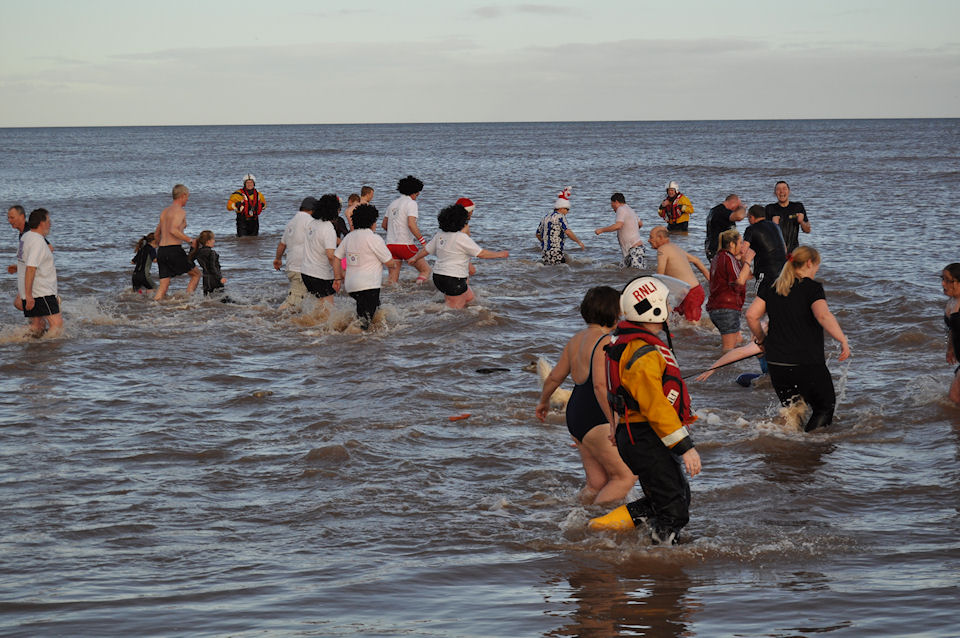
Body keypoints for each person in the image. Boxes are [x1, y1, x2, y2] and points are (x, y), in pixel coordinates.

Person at [588, 276, 701, 545]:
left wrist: (617, 428)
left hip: (634, 434)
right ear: (653, 310)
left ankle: (602, 527)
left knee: (673, 497)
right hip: (646, 437)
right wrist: (685, 446)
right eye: (666, 304)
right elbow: (655, 405)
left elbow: (617, 393)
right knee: (674, 508)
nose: (671, 310)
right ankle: (663, 567)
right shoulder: (643, 351)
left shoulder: (623, 343)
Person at [535, 286, 637, 505]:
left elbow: (554, 377)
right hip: (596, 415)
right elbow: (600, 386)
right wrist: (613, 421)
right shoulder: (604, 343)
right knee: (626, 476)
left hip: (575, 414)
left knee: (596, 483)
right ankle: (594, 527)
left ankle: (574, 513)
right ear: (612, 312)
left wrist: (543, 402)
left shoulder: (576, 340)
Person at [745, 246, 851, 432]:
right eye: (816, 265)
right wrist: (843, 340)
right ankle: (808, 450)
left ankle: (790, 451)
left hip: (777, 364)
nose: (816, 269)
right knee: (824, 408)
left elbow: (751, 315)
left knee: (794, 412)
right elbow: (823, 316)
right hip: (806, 362)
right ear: (809, 263)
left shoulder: (771, 287)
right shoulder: (812, 288)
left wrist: (762, 341)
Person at [407, 203, 508, 309]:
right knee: (454, 311)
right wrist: (500, 254)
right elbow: (481, 254)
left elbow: (426, 250)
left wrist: (415, 258)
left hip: (438, 277)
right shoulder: (462, 237)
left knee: (470, 298)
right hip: (453, 279)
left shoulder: (440, 235)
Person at [334, 203, 397, 329]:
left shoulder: (349, 237)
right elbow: (389, 262)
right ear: (371, 222)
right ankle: (356, 340)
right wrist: (394, 264)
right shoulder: (374, 238)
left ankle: (346, 330)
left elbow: (336, 257)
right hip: (369, 286)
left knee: (369, 311)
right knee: (365, 322)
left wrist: (337, 278)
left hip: (351, 286)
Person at [14, 208, 63, 336]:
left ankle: (11, 339)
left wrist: (23, 294)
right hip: (40, 292)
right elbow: (30, 268)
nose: (50, 224)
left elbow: (23, 263)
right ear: (42, 223)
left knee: (38, 326)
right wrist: (29, 296)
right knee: (57, 324)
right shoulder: (37, 241)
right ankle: (52, 354)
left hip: (30, 291)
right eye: (48, 220)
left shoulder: (25, 237)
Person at [648, 226, 709, 321]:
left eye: (651, 237)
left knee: (692, 326)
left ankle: (707, 335)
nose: (648, 240)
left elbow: (660, 275)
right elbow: (696, 260)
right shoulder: (675, 248)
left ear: (660, 237)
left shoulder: (662, 249)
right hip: (691, 292)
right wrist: (712, 281)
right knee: (677, 320)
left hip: (691, 293)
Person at [153, 184, 201, 301]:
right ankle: (189, 302)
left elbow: (156, 234)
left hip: (162, 251)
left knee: (163, 286)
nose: (188, 199)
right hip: (174, 250)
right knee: (196, 274)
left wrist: (161, 247)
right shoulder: (180, 211)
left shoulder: (164, 211)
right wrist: (190, 240)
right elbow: (173, 230)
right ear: (183, 195)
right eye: (187, 196)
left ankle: (153, 307)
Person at [706, 229, 750, 351]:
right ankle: (722, 369)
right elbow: (740, 280)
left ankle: (708, 360)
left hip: (716, 307)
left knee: (739, 341)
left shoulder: (718, 257)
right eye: (740, 243)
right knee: (729, 349)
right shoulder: (728, 258)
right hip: (727, 308)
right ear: (732, 244)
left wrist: (741, 260)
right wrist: (748, 261)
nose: (742, 246)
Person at [383, 175, 430, 284]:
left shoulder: (392, 204)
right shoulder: (411, 203)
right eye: (418, 193)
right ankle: (415, 291)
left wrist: (395, 232)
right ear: (414, 192)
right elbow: (411, 225)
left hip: (390, 245)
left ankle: (392, 297)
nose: (418, 195)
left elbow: (384, 225)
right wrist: (423, 242)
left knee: (392, 280)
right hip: (406, 246)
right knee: (426, 270)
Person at [274, 196, 316, 309]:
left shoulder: (291, 222)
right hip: (301, 267)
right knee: (294, 302)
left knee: (301, 298)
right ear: (313, 210)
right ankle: (274, 317)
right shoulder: (310, 221)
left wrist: (278, 259)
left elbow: (282, 244)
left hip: (291, 265)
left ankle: (295, 323)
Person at [300, 194, 342, 304]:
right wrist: (338, 276)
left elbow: (320, 239)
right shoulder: (328, 227)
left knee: (318, 308)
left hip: (306, 273)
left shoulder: (312, 223)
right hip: (320, 274)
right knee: (328, 310)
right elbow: (330, 255)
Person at [742, 204, 787, 294]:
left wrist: (747, 270)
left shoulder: (751, 229)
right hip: (783, 271)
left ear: (751, 217)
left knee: (760, 299)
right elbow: (785, 249)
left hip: (766, 273)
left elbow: (743, 252)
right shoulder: (775, 226)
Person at [535, 187, 586, 265]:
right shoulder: (560, 217)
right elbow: (568, 232)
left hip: (545, 253)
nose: (568, 212)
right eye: (567, 209)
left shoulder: (546, 217)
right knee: (562, 271)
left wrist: (544, 242)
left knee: (549, 270)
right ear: (562, 208)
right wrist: (579, 242)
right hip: (556, 252)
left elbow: (537, 234)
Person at [595, 192, 645, 269]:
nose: (612, 208)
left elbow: (618, 225)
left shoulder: (621, 209)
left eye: (612, 204)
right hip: (633, 249)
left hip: (634, 249)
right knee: (622, 272)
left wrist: (601, 230)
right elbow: (640, 224)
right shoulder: (630, 209)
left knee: (636, 273)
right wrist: (631, 231)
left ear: (616, 202)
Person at [764, 181, 810, 254]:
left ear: (789, 191)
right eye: (778, 189)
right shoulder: (770, 208)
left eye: (784, 189)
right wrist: (773, 225)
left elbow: (807, 230)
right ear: (775, 193)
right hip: (775, 251)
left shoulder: (798, 207)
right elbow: (765, 235)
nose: (781, 191)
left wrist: (801, 222)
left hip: (794, 251)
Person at [704, 194, 744, 261]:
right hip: (717, 249)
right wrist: (742, 208)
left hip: (716, 248)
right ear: (732, 202)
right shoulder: (721, 211)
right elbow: (739, 216)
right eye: (737, 206)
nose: (737, 209)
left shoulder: (717, 211)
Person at [188, 230, 228, 297]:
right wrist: (220, 278)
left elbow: (189, 260)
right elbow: (212, 268)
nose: (214, 241)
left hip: (206, 281)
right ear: (208, 241)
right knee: (223, 299)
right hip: (215, 280)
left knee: (208, 299)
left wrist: (192, 247)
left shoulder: (198, 252)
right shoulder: (212, 253)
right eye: (213, 239)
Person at [941, 263, 960, 405]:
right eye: (942, 279)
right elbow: (953, 328)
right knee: (954, 398)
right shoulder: (952, 302)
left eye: (949, 280)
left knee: (954, 397)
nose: (943, 284)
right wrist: (950, 348)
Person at [7, 205, 28, 274]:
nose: (9, 221)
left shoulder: (30, 232)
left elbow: (49, 247)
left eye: (12, 218)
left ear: (22, 217)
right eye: (8, 218)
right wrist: (18, 267)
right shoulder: (22, 233)